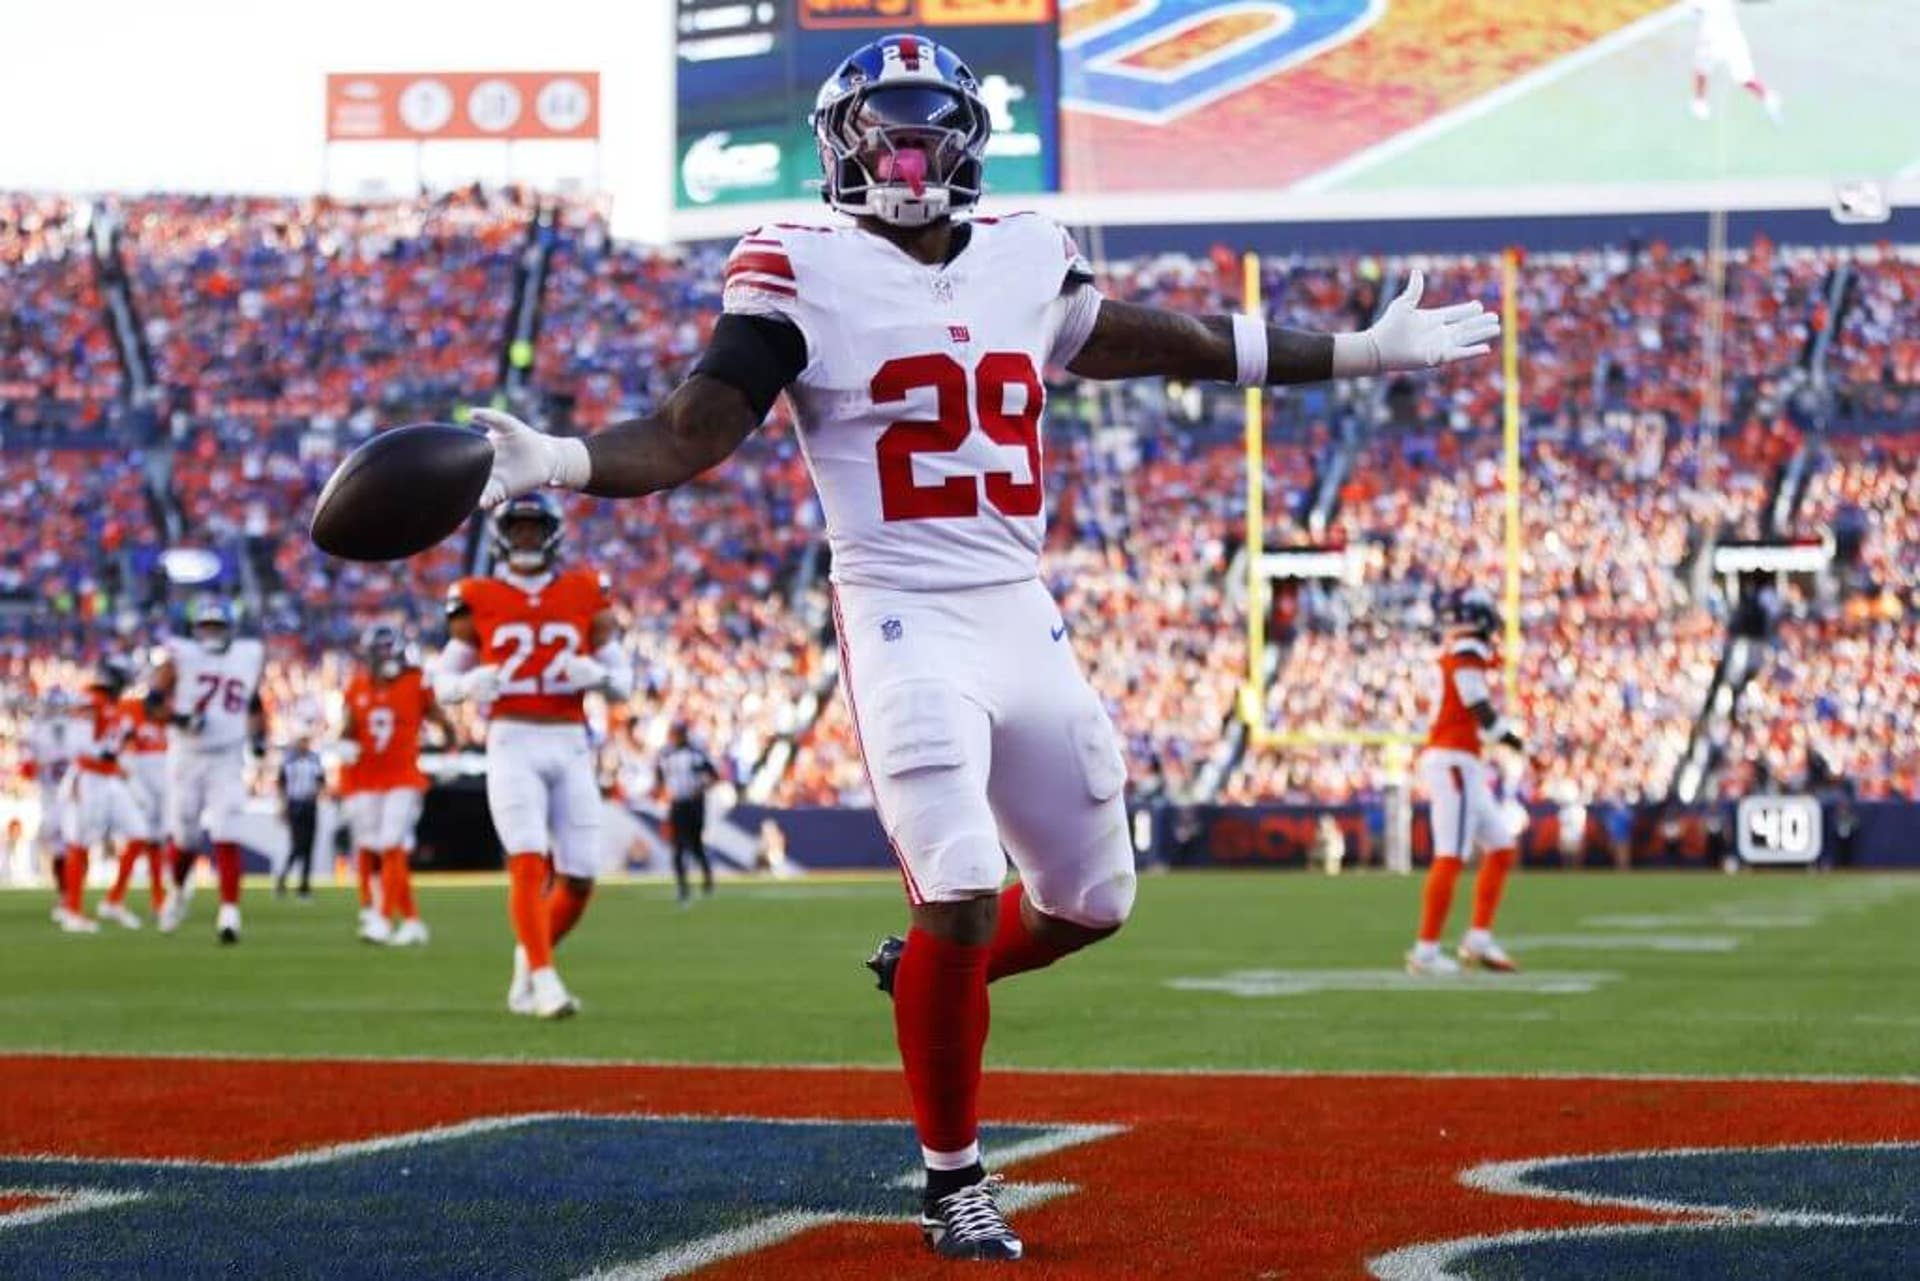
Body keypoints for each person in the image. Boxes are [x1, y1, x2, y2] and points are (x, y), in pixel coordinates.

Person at [467, 31, 1496, 1260]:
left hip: (1019, 603)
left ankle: (927, 974)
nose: (909, 151)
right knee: (958, 878)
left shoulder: (1027, 253)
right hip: (901, 609)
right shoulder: (798, 262)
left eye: (930, 126)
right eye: (885, 129)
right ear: (843, 148)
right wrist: (569, 464)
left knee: (1092, 901)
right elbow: (697, 430)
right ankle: (952, 1179)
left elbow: (1167, 342)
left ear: (968, 141)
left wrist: (1359, 354)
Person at [433, 494, 632, 1017]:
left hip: (570, 741)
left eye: (532, 528)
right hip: (511, 737)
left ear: (551, 532)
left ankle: (529, 959)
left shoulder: (587, 589)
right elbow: (442, 680)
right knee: (525, 859)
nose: (524, 537)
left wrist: (603, 678)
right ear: (502, 535)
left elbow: (625, 682)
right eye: (516, 529)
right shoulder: (475, 593)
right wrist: (467, 684)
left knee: (581, 875)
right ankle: (545, 982)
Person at [1406, 589, 1527, 977]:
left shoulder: (1457, 649)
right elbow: (1475, 700)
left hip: (1464, 762)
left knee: (1502, 846)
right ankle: (1425, 951)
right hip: (1453, 760)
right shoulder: (1466, 649)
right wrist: (1507, 736)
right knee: (1450, 854)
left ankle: (1477, 937)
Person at [152, 597, 268, 944]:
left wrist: (260, 736)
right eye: (206, 626)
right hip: (187, 755)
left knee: (226, 829)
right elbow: (152, 703)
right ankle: (176, 891)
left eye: (218, 626)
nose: (212, 633)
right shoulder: (180, 656)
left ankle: (229, 913)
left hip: (228, 756)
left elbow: (254, 702)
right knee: (185, 834)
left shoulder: (245, 657)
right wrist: (180, 719)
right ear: (194, 629)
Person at [340, 624, 456, 944]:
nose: (384, 658)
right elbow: (347, 730)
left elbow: (442, 721)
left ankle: (382, 917)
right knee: (378, 847)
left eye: (388, 651)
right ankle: (411, 921)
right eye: (379, 652)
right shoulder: (358, 685)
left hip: (403, 777)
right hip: (366, 779)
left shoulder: (414, 682)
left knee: (392, 843)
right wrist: (345, 745)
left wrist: (451, 749)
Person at [56, 657, 150, 934]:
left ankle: (113, 900)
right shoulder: (91, 700)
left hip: (109, 778)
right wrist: (107, 757)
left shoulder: (116, 706)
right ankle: (72, 910)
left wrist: (119, 759)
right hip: (89, 778)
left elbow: (123, 739)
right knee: (80, 843)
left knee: (139, 834)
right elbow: (79, 747)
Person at [96, 660, 171, 928]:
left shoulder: (166, 726)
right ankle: (116, 899)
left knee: (153, 845)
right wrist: (137, 790)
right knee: (141, 840)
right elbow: (125, 756)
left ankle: (156, 900)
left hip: (157, 793)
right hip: (136, 788)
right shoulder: (131, 716)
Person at [25, 689, 85, 923]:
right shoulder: (40, 731)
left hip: (69, 795)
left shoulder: (42, 731)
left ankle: (69, 897)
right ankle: (66, 896)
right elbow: (29, 769)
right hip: (53, 796)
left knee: (71, 845)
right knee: (64, 846)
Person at [1689, 0, 1781, 122]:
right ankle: (1699, 102)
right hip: (1709, 38)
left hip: (1731, 38)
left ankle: (1767, 97)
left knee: (1744, 77)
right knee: (1702, 69)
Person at [659, 722, 720, 905]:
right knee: (677, 847)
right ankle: (683, 887)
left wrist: (701, 788)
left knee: (695, 845)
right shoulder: (666, 755)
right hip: (678, 803)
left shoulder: (696, 754)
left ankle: (707, 879)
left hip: (694, 803)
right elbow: (661, 778)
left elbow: (713, 776)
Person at [275, 733, 325, 900]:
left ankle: (304, 886)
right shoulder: (289, 761)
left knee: (309, 847)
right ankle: (283, 878)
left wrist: (315, 794)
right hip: (294, 804)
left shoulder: (315, 760)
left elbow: (321, 782)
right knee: (298, 845)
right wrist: (282, 806)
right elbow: (281, 785)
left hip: (309, 805)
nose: (304, 745)